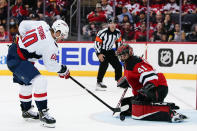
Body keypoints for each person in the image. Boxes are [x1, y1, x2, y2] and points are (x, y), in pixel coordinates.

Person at [7, 19, 70, 128]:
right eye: (62, 35)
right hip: (19, 60)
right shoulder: (51, 45)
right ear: (57, 32)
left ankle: (26, 110)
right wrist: (63, 70)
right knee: (41, 81)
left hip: (14, 50)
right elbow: (50, 65)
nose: (62, 38)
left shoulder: (42, 24)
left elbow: (23, 24)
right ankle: (43, 113)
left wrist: (22, 37)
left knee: (26, 84)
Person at [116, 44, 187, 122]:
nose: (122, 57)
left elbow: (150, 75)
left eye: (124, 55)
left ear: (129, 53)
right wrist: (127, 82)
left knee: (140, 105)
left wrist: (148, 86)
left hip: (157, 88)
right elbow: (136, 77)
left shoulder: (134, 62)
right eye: (120, 56)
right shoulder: (128, 63)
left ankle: (171, 113)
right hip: (149, 89)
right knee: (129, 102)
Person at [94, 18, 122, 91]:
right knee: (104, 65)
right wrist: (99, 54)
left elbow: (119, 43)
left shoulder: (118, 32)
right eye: (111, 23)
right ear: (108, 24)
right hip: (102, 50)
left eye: (114, 23)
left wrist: (118, 51)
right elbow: (96, 43)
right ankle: (99, 82)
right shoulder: (102, 32)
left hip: (110, 51)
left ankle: (119, 81)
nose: (113, 25)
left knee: (118, 65)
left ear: (116, 24)